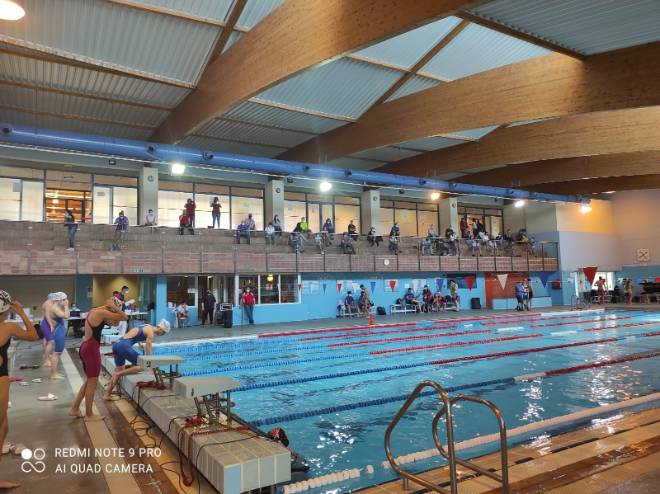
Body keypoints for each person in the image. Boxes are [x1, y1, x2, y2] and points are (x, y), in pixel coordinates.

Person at [0, 292, 39, 490]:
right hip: (1, 380)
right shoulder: (8, 327)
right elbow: (33, 335)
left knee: (4, 427)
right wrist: (22, 313)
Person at [70, 297, 127, 421]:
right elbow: (124, 317)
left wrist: (113, 309)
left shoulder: (96, 311)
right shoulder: (101, 313)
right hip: (91, 349)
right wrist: (115, 307)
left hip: (86, 347)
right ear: (111, 307)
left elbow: (116, 323)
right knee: (92, 383)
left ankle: (74, 409)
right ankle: (89, 415)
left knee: (89, 381)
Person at [103, 319, 170, 400]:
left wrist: (139, 343)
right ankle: (118, 374)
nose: (162, 335)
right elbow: (148, 348)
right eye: (163, 333)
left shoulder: (146, 326)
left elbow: (135, 332)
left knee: (119, 369)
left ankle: (107, 394)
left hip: (117, 344)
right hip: (123, 346)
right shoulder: (151, 333)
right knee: (143, 365)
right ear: (161, 329)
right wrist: (150, 363)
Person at [41, 292, 70, 379]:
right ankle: (53, 374)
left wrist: (51, 324)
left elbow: (46, 315)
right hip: (58, 331)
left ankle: (54, 373)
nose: (66, 301)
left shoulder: (52, 306)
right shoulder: (55, 308)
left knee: (57, 353)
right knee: (57, 353)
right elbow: (66, 316)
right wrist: (66, 306)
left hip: (58, 329)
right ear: (58, 300)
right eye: (64, 300)